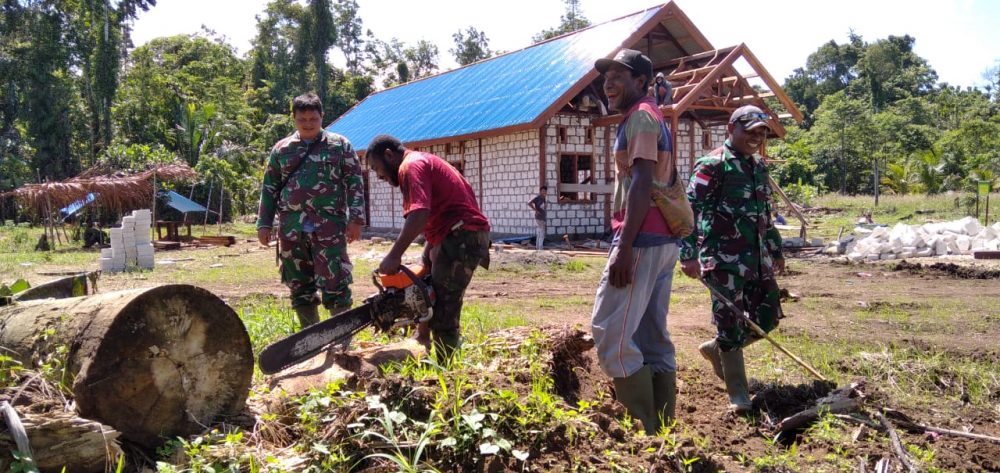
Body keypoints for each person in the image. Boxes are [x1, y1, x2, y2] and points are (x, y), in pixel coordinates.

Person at [590, 49, 682, 435]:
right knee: (649, 332)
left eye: (618, 76)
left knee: (609, 330)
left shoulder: (642, 116)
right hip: (660, 239)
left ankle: (644, 427)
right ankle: (661, 428)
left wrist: (624, 247)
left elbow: (643, 181)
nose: (608, 82)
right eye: (606, 76)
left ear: (642, 82)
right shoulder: (643, 116)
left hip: (641, 240)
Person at [679, 104, 785, 414]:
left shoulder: (758, 167)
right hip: (723, 260)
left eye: (762, 133)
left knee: (768, 317)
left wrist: (776, 249)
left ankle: (716, 350)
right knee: (730, 325)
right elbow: (688, 211)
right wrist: (687, 255)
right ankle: (738, 393)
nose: (757, 137)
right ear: (731, 129)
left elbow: (765, 212)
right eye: (750, 131)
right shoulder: (712, 165)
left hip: (757, 259)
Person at [366, 135, 491, 361]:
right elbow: (437, 213)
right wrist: (427, 255)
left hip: (461, 235)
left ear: (388, 155)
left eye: (377, 169)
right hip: (454, 234)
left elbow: (420, 213)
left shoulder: (410, 166)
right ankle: (424, 339)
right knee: (428, 288)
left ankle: (448, 371)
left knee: (444, 312)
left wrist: (394, 255)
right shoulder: (423, 161)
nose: (379, 176)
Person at [256, 92, 365, 329]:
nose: (308, 124)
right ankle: (309, 338)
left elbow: (355, 182)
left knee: (336, 280)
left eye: (313, 119)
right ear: (293, 118)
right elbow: (269, 188)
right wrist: (264, 224)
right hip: (292, 229)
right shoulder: (282, 149)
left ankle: (341, 337)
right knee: (299, 283)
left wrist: (356, 219)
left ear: (322, 117)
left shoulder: (339, 146)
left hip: (329, 227)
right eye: (302, 119)